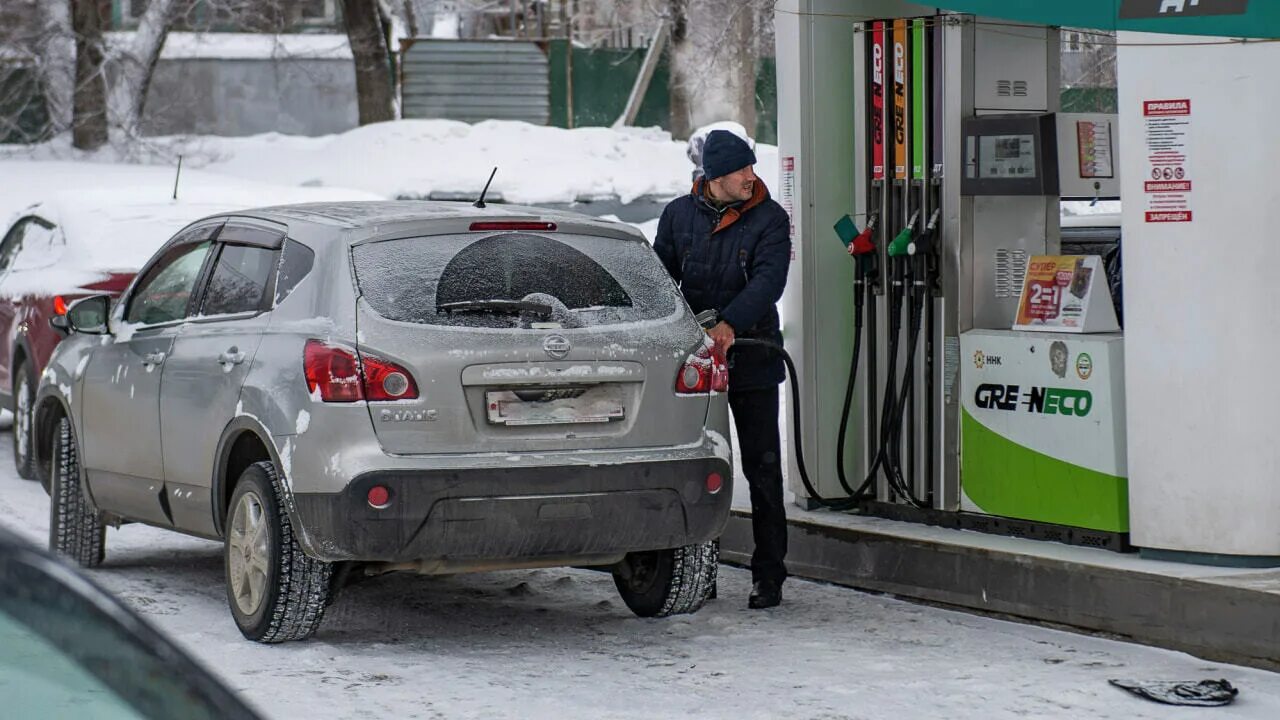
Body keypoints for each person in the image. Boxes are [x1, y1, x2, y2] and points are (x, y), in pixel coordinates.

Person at [653, 129, 792, 609]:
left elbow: (770, 281)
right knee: (698, 469)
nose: (751, 177)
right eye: (742, 171)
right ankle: (701, 572)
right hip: (696, 365)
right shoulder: (677, 216)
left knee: (763, 469)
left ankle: (769, 574)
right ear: (714, 177)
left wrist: (730, 323)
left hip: (751, 356)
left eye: (753, 168)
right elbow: (660, 276)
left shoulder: (771, 219)